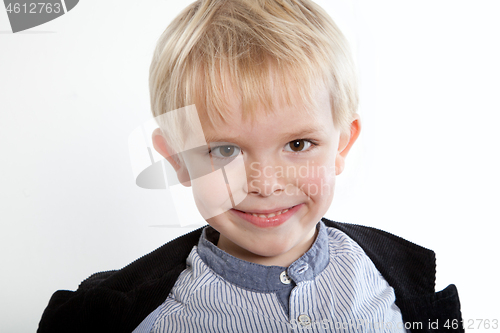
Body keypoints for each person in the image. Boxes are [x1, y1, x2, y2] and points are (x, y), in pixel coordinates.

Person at [37, 0, 463, 332]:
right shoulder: (125, 317)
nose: (265, 183)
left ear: (342, 144)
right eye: (224, 151)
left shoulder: (402, 286)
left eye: (298, 144)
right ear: (176, 160)